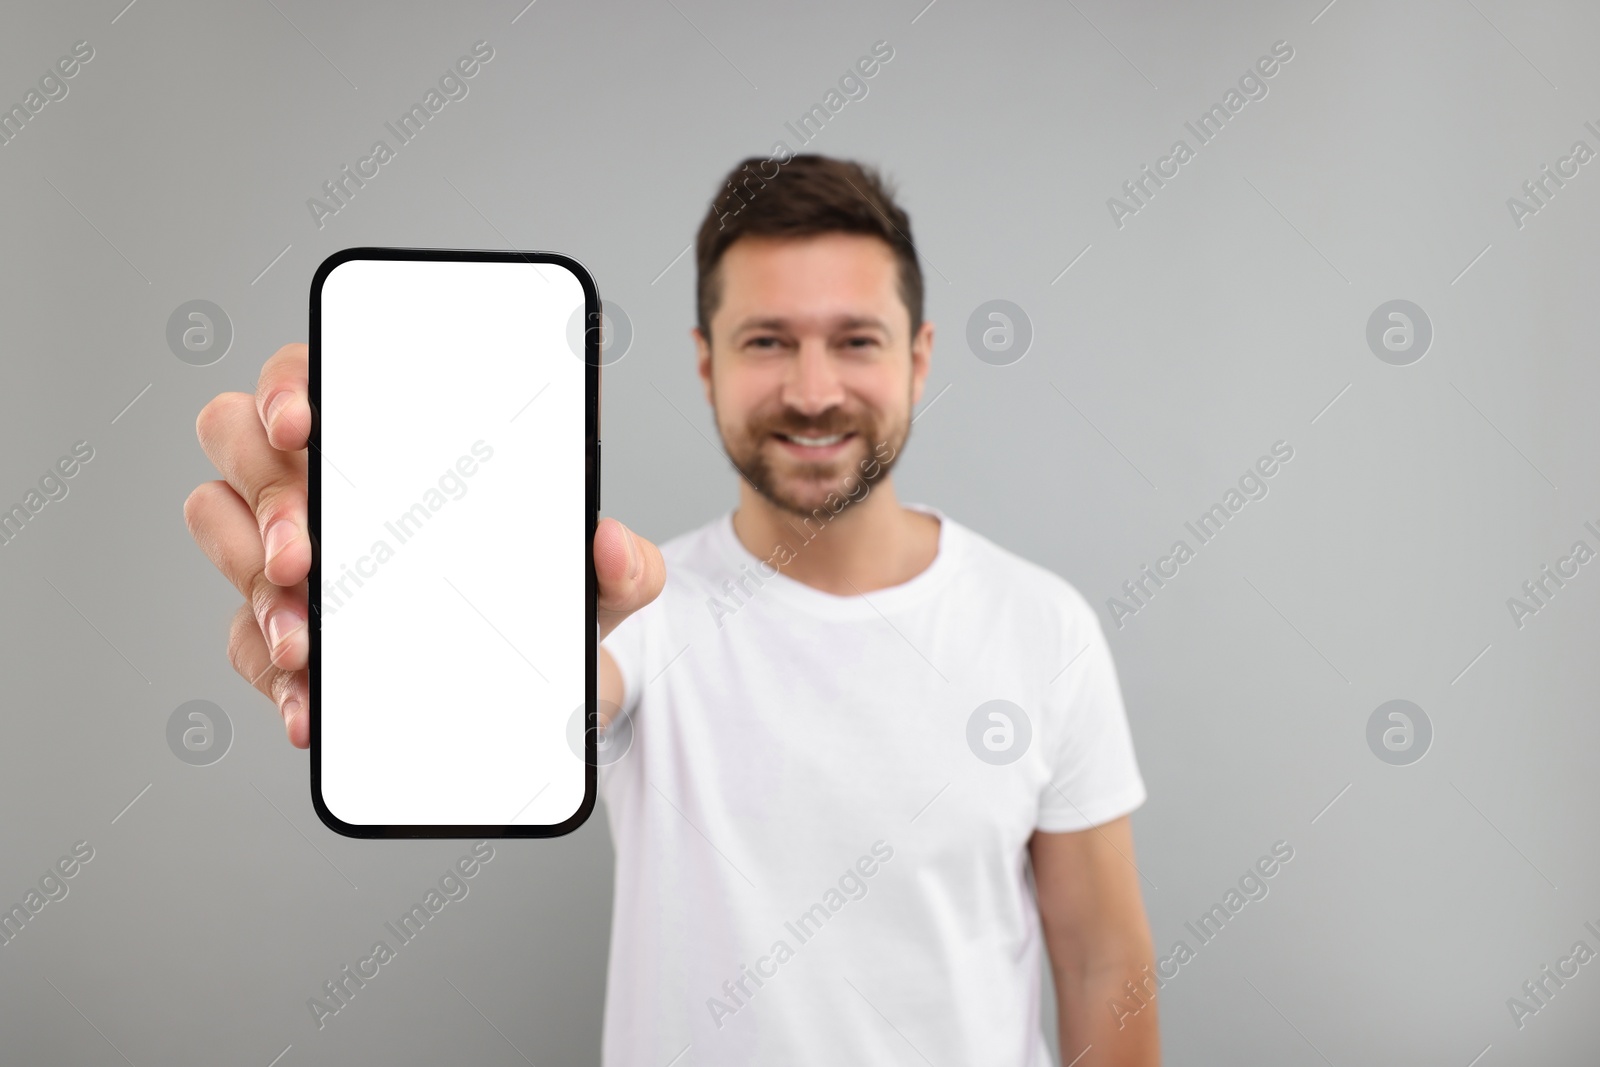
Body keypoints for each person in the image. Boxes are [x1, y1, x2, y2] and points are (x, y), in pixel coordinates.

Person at [185, 153, 1161, 1065]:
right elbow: (545, 684)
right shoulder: (639, 607)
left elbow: (1100, 962)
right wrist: (386, 566)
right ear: (706, 363)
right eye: (766, 341)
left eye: (855, 340)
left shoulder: (1042, 624)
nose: (812, 389)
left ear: (919, 355)